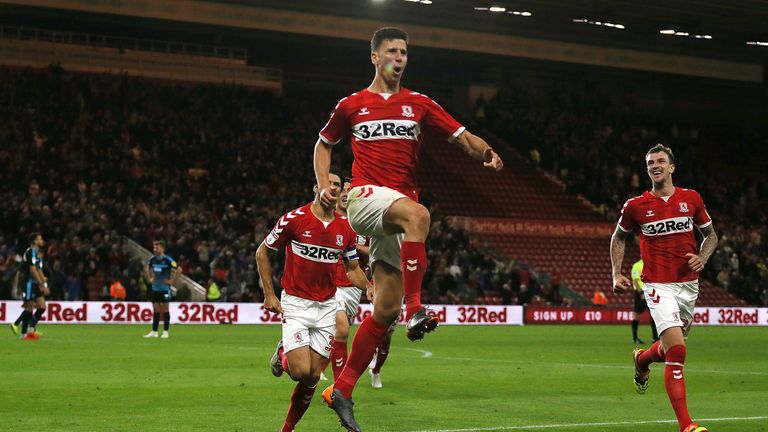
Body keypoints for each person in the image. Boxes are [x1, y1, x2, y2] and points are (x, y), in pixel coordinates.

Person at [314, 27, 503, 430]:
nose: (399, 58)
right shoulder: (352, 105)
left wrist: (485, 152)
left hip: (395, 211)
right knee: (420, 216)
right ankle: (416, 311)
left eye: (404, 52)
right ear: (374, 56)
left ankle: (341, 389)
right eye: (392, 52)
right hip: (365, 198)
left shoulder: (418, 103)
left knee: (383, 309)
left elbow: (462, 137)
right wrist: (323, 183)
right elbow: (323, 144)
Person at [610, 144, 716, 432]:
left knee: (671, 347)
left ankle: (642, 359)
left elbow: (711, 236)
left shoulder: (691, 199)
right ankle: (686, 425)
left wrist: (702, 258)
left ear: (671, 167)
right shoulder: (636, 206)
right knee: (678, 351)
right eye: (650, 163)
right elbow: (618, 238)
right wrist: (616, 272)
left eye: (660, 161)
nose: (655, 165)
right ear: (648, 170)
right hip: (657, 284)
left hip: (688, 286)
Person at [257, 173, 371, 432]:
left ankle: (287, 429)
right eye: (328, 183)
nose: (334, 187)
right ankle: (283, 353)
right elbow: (262, 251)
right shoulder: (294, 220)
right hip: (296, 304)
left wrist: (369, 287)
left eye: (338, 185)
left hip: (327, 307)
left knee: (312, 377)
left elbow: (353, 268)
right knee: (299, 371)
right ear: (316, 188)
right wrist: (269, 294)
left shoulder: (345, 228)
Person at [319, 181, 374, 383]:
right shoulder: (328, 218)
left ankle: (317, 368)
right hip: (331, 284)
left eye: (350, 191)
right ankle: (339, 387)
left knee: (337, 334)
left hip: (353, 286)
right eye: (343, 190)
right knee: (341, 329)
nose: (345, 193)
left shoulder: (363, 223)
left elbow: (374, 250)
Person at [11, 233, 48, 340]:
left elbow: (38, 270)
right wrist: (42, 284)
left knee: (42, 306)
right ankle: (24, 334)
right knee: (29, 308)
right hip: (28, 283)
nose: (42, 240)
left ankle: (30, 329)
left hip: (34, 283)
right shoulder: (31, 252)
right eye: (40, 239)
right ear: (35, 241)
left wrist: (42, 283)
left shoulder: (36, 253)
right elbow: (32, 271)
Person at [144, 240, 180, 339]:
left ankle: (165, 332)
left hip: (165, 289)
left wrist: (172, 281)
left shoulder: (168, 260)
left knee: (165, 309)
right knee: (155, 310)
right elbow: (147, 268)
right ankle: (154, 331)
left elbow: (179, 270)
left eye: (157, 248)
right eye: (154, 248)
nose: (155, 249)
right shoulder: (152, 259)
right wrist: (150, 278)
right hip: (155, 288)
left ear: (162, 248)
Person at [630, 258, 658, 344]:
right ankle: (635, 338)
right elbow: (635, 280)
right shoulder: (637, 265)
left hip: (651, 292)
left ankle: (655, 338)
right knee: (637, 315)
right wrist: (641, 293)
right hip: (641, 293)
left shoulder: (651, 265)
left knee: (654, 315)